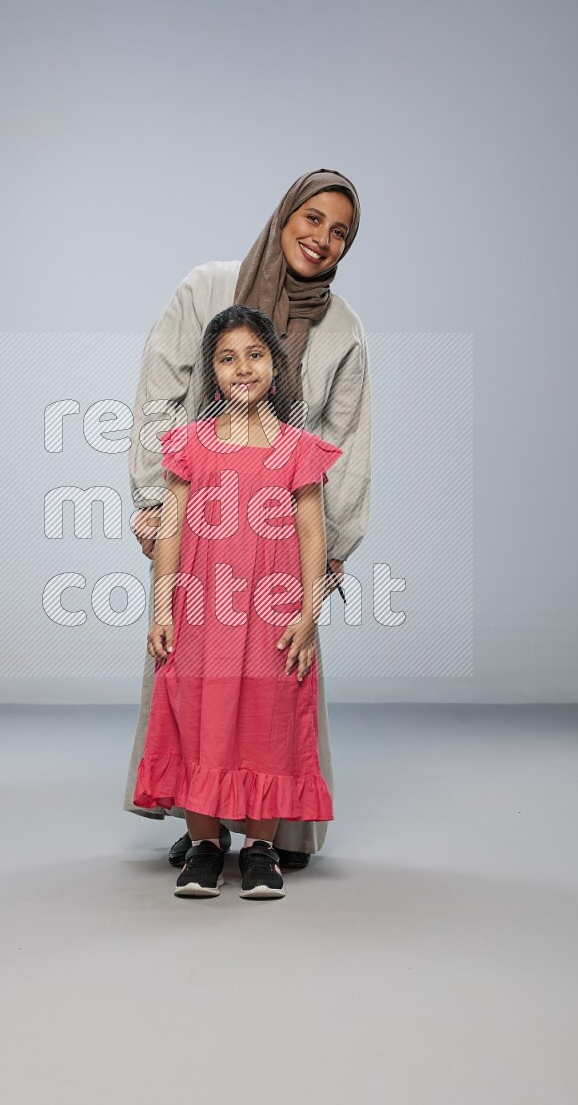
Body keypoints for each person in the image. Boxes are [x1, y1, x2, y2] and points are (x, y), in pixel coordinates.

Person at [124, 168, 372, 868]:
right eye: (314, 217)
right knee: (190, 675)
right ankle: (201, 819)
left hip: (282, 533)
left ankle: (275, 829)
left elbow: (347, 441)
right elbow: (159, 392)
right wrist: (150, 498)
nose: (323, 238)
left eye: (342, 232)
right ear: (286, 211)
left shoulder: (344, 329)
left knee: (278, 682)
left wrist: (333, 547)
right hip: (202, 519)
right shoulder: (208, 287)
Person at [134, 305, 343, 899]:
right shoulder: (190, 446)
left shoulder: (299, 448)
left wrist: (308, 615)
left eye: (254, 355)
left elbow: (311, 532)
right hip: (203, 612)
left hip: (272, 615)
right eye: (227, 358)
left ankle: (260, 849)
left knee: (269, 722)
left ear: (274, 368)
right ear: (213, 372)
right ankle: (204, 845)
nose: (241, 368)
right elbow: (171, 528)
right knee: (196, 717)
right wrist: (163, 608)